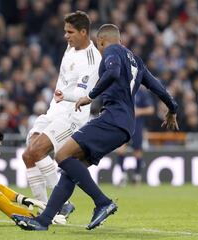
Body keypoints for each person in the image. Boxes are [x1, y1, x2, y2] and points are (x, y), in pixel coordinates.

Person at [12, 23, 179, 231]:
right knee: (71, 170)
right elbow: (158, 87)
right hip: (126, 125)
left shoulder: (112, 50)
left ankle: (102, 201)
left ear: (101, 41)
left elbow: (113, 71)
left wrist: (90, 96)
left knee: (62, 155)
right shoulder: (136, 61)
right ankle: (43, 221)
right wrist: (173, 108)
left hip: (112, 119)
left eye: (99, 47)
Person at [22, 10, 101, 218]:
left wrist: (62, 93)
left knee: (38, 150)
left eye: (70, 32)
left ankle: (62, 203)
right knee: (28, 155)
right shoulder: (70, 46)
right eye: (65, 31)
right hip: (53, 111)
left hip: (72, 116)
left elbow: (84, 94)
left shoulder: (93, 60)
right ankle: (48, 207)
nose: (66, 36)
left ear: (84, 32)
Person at [115, 86, 155, 186]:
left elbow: (151, 109)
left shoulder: (142, 93)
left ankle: (137, 176)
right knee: (120, 149)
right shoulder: (123, 91)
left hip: (137, 126)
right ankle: (123, 175)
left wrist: (138, 111)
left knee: (137, 151)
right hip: (123, 125)